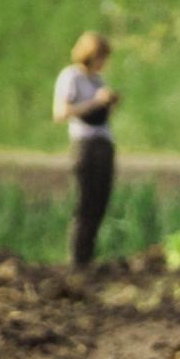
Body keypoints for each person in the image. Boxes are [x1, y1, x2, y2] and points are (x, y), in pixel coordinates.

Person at [53, 32, 120, 270]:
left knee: (100, 203)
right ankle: (76, 261)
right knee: (84, 204)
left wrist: (108, 104)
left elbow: (101, 115)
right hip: (85, 145)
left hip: (103, 143)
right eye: (101, 57)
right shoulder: (71, 77)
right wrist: (95, 103)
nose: (103, 62)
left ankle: (88, 258)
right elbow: (61, 113)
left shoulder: (97, 80)